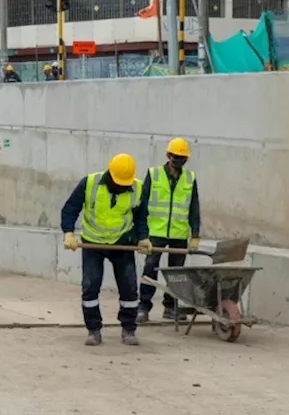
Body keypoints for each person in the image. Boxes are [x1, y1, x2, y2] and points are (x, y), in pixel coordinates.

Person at [61, 153, 150, 347]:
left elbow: (141, 216)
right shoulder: (90, 184)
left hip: (122, 242)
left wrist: (143, 237)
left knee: (129, 288)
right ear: (109, 174)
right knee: (90, 286)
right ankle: (94, 330)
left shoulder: (138, 188)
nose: (122, 187)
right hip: (93, 242)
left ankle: (129, 329)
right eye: (119, 183)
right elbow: (70, 208)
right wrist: (68, 233)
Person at [138, 138, 202, 322]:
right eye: (176, 157)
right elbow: (142, 204)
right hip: (155, 232)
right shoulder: (154, 174)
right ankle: (143, 306)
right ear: (168, 156)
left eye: (183, 158)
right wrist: (140, 235)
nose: (179, 161)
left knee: (177, 273)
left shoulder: (190, 179)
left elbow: (194, 208)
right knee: (150, 268)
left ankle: (171, 307)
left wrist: (195, 234)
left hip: (179, 233)